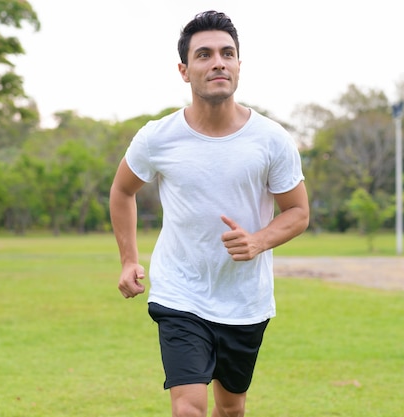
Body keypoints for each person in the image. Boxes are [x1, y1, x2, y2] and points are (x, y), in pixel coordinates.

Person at [109, 10, 309, 417]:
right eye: (204, 54)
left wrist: (258, 241)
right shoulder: (157, 137)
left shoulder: (271, 140)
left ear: (238, 65)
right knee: (189, 409)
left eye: (227, 53)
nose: (218, 61)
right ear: (184, 70)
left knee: (231, 409)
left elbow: (298, 212)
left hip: (244, 299)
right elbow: (122, 190)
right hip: (180, 293)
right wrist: (129, 259)